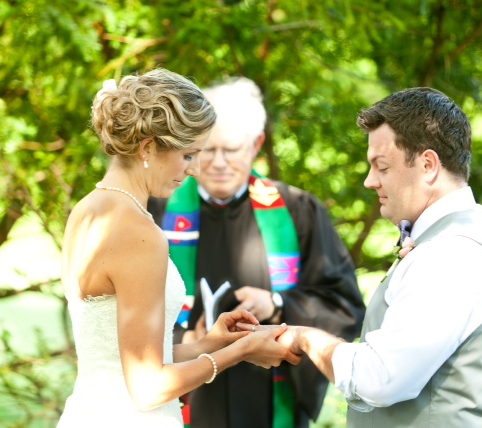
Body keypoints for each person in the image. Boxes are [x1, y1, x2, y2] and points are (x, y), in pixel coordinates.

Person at [58, 69, 301, 428]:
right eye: (189, 155)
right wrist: (242, 351)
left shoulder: (88, 210)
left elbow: (120, 358)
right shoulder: (140, 234)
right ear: (147, 148)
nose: (195, 169)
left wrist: (210, 343)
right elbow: (147, 389)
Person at [267, 87, 482, 426]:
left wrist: (305, 338)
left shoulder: (452, 253)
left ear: (428, 165)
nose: (369, 181)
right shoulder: (447, 239)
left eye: (381, 166)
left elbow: (380, 378)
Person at [147, 77, 366, 428]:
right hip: (190, 396)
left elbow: (343, 305)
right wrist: (188, 339)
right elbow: (129, 316)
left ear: (256, 144)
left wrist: (277, 305)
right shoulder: (156, 214)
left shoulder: (298, 211)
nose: (218, 162)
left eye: (231, 150)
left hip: (266, 401)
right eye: (208, 150)